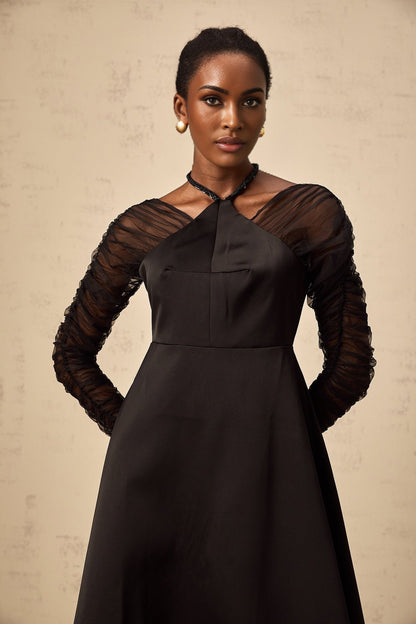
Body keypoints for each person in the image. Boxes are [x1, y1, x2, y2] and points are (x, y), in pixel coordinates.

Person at [53, 26, 375, 624]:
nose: (233, 119)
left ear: (265, 111)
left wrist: (282, 440)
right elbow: (71, 352)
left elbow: (352, 364)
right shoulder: (141, 227)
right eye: (213, 99)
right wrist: (138, 436)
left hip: (273, 477)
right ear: (182, 109)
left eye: (251, 101)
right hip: (153, 480)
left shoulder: (310, 213)